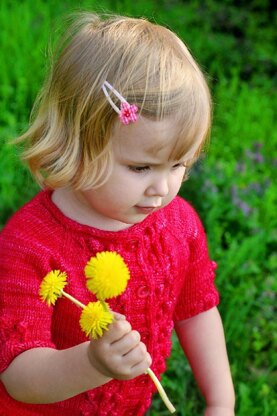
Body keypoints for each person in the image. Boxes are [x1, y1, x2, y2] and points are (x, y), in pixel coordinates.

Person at [0, 12, 235, 416]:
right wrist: (90, 364)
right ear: (77, 144)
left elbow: (197, 310)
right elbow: (17, 375)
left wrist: (221, 402)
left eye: (179, 165)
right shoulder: (29, 245)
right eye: (140, 168)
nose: (162, 188)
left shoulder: (177, 225)